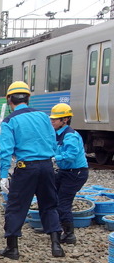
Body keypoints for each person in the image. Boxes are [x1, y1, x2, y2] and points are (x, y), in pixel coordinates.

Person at [0, 81, 64, 260]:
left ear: (9, 100)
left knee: (16, 206)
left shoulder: (9, 121)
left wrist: (3, 175)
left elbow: (6, 151)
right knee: (49, 204)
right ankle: (56, 245)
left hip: (26, 168)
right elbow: (53, 141)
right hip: (46, 166)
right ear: (28, 98)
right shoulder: (43, 116)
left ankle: (12, 249)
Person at [49, 103, 89, 244]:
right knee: (52, 197)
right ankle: (54, 227)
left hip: (75, 173)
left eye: (55, 119)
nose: (52, 121)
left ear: (65, 120)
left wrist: (54, 158)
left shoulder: (70, 135)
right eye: (52, 118)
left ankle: (69, 234)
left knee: (63, 203)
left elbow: (71, 155)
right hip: (66, 171)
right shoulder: (57, 134)